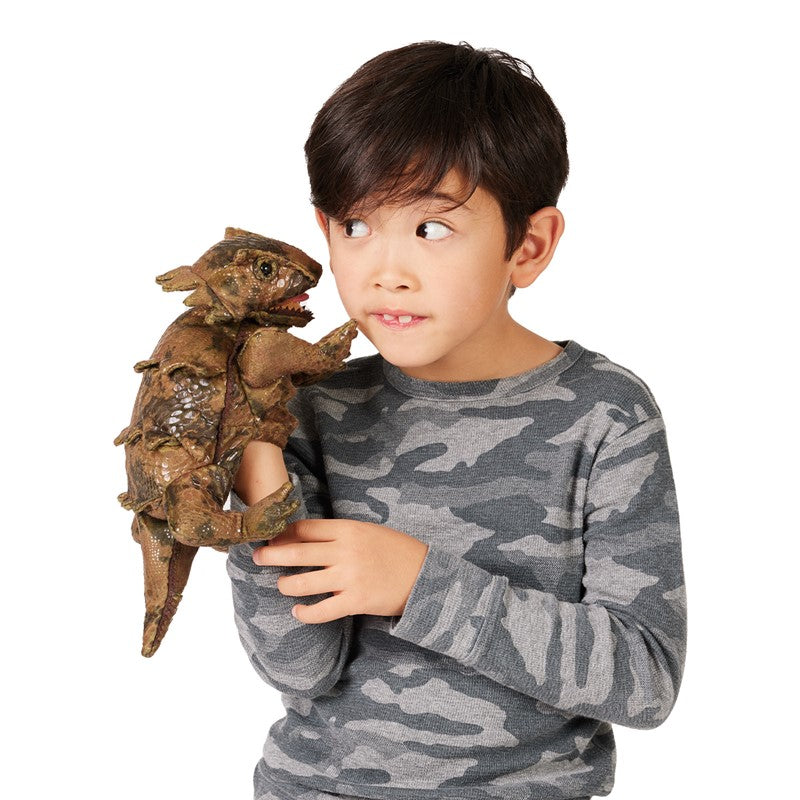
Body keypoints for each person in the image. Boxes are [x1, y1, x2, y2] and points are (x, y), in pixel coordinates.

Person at [227, 41, 687, 800]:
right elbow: (297, 665)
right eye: (355, 226)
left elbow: (644, 679)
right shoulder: (305, 408)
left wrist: (420, 585)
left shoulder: (605, 414)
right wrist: (255, 468)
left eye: (431, 228)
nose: (384, 269)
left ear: (529, 245)